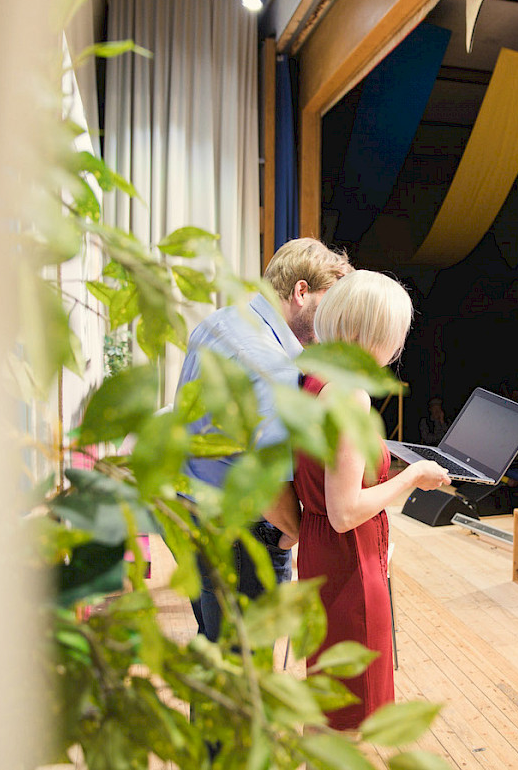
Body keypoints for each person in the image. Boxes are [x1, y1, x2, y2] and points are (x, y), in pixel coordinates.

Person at [293, 270, 451, 730]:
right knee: (349, 719)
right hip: (348, 561)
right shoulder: (351, 395)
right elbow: (344, 512)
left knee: (328, 704)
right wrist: (413, 476)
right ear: (374, 333)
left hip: (321, 550)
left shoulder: (317, 377)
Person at [178, 236, 351, 643]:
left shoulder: (220, 321)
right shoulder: (271, 364)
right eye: (331, 304)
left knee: (217, 646)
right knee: (245, 661)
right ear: (302, 292)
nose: (335, 322)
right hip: (240, 531)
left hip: (191, 508)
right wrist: (296, 533)